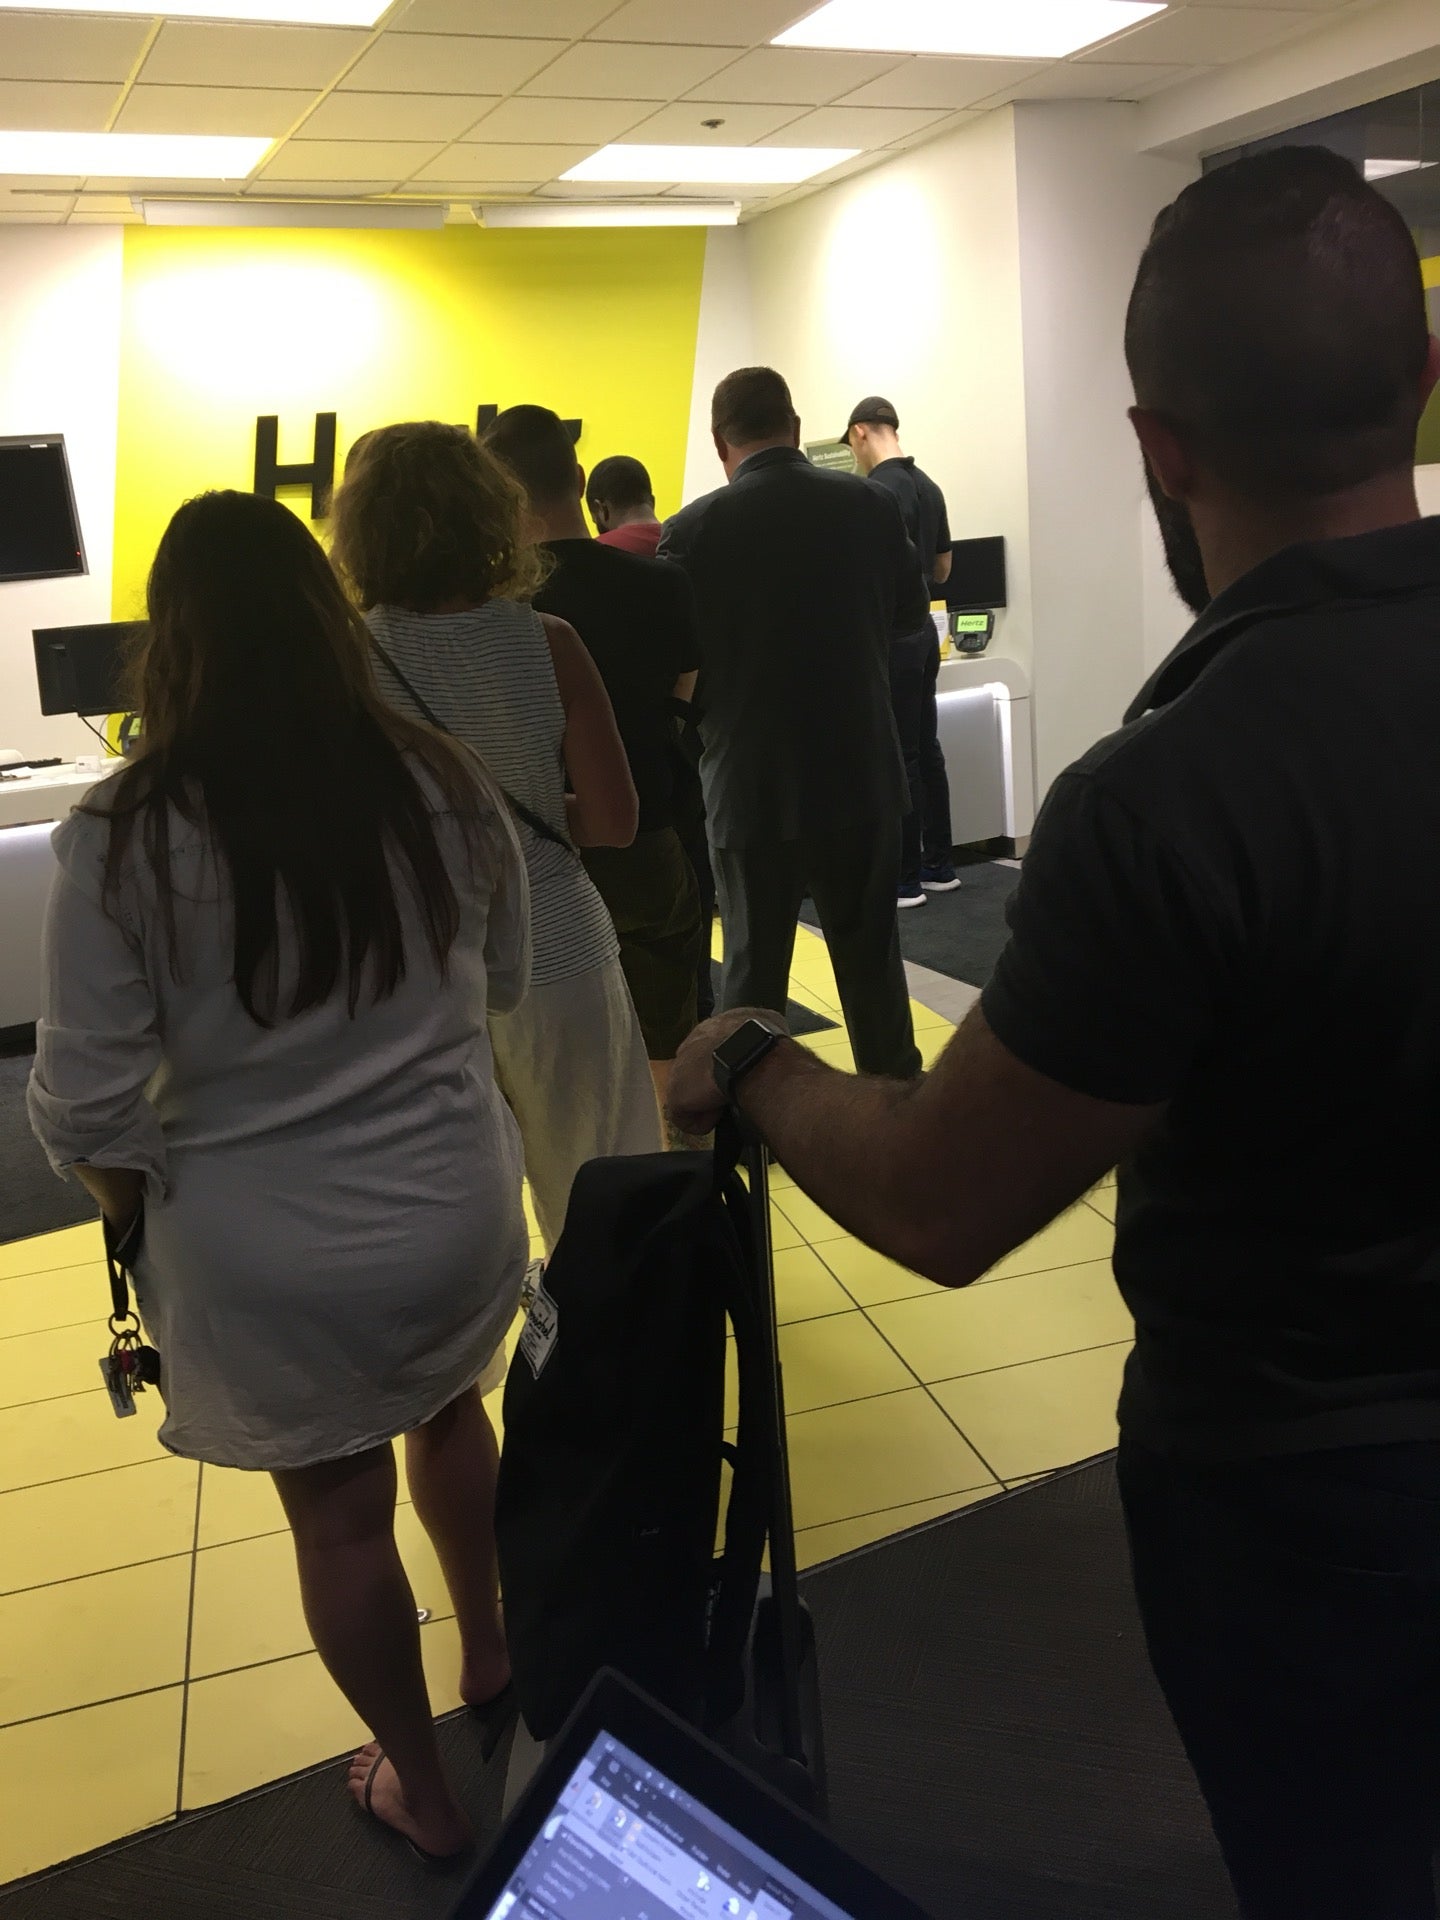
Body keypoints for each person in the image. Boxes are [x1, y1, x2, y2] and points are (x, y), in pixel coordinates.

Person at [670, 149, 1440, 1918]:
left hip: (1297, 1507)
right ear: (1420, 381)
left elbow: (941, 1203)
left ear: (1159, 446)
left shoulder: (1166, 796)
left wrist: (755, 1060)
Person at [28, 490, 531, 1861]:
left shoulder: (124, 833)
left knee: (340, 1523)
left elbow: (85, 1108)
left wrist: (135, 1215)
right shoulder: (440, 778)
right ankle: (493, 1651)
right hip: (456, 1205)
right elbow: (506, 982)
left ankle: (426, 1794)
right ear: (327, 616)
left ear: (169, 639)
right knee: (454, 1414)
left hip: (269, 1257)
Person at [331, 422, 660, 1250]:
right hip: (561, 947)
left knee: (446, 1220)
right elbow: (615, 821)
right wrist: (527, 818)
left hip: (421, 966)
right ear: (491, 512)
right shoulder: (548, 641)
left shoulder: (344, 663)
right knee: (603, 1201)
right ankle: (596, 1335)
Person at [660, 367, 927, 1080]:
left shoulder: (691, 532)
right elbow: (908, 619)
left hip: (749, 782)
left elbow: (675, 662)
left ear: (718, 441)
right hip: (862, 774)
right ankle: (895, 1123)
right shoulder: (872, 507)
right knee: (873, 971)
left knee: (751, 986)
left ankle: (752, 1128)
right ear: (796, 425)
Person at [484, 404, 704, 1110]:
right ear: (580, 480)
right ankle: (674, 1156)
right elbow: (687, 687)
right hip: (649, 836)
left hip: (539, 855)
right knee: (666, 1037)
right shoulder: (664, 584)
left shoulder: (496, 612)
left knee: (554, 1064)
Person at [843, 397, 959, 906]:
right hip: (925, 634)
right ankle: (939, 866)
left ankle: (905, 879)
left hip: (891, 637)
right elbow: (944, 569)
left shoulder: (874, 492)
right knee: (926, 747)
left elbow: (863, 574)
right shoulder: (929, 487)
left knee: (899, 754)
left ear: (860, 432)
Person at [587, 454, 664, 556]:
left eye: (595, 520)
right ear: (652, 502)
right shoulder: (681, 542)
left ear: (601, 509)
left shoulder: (593, 554)